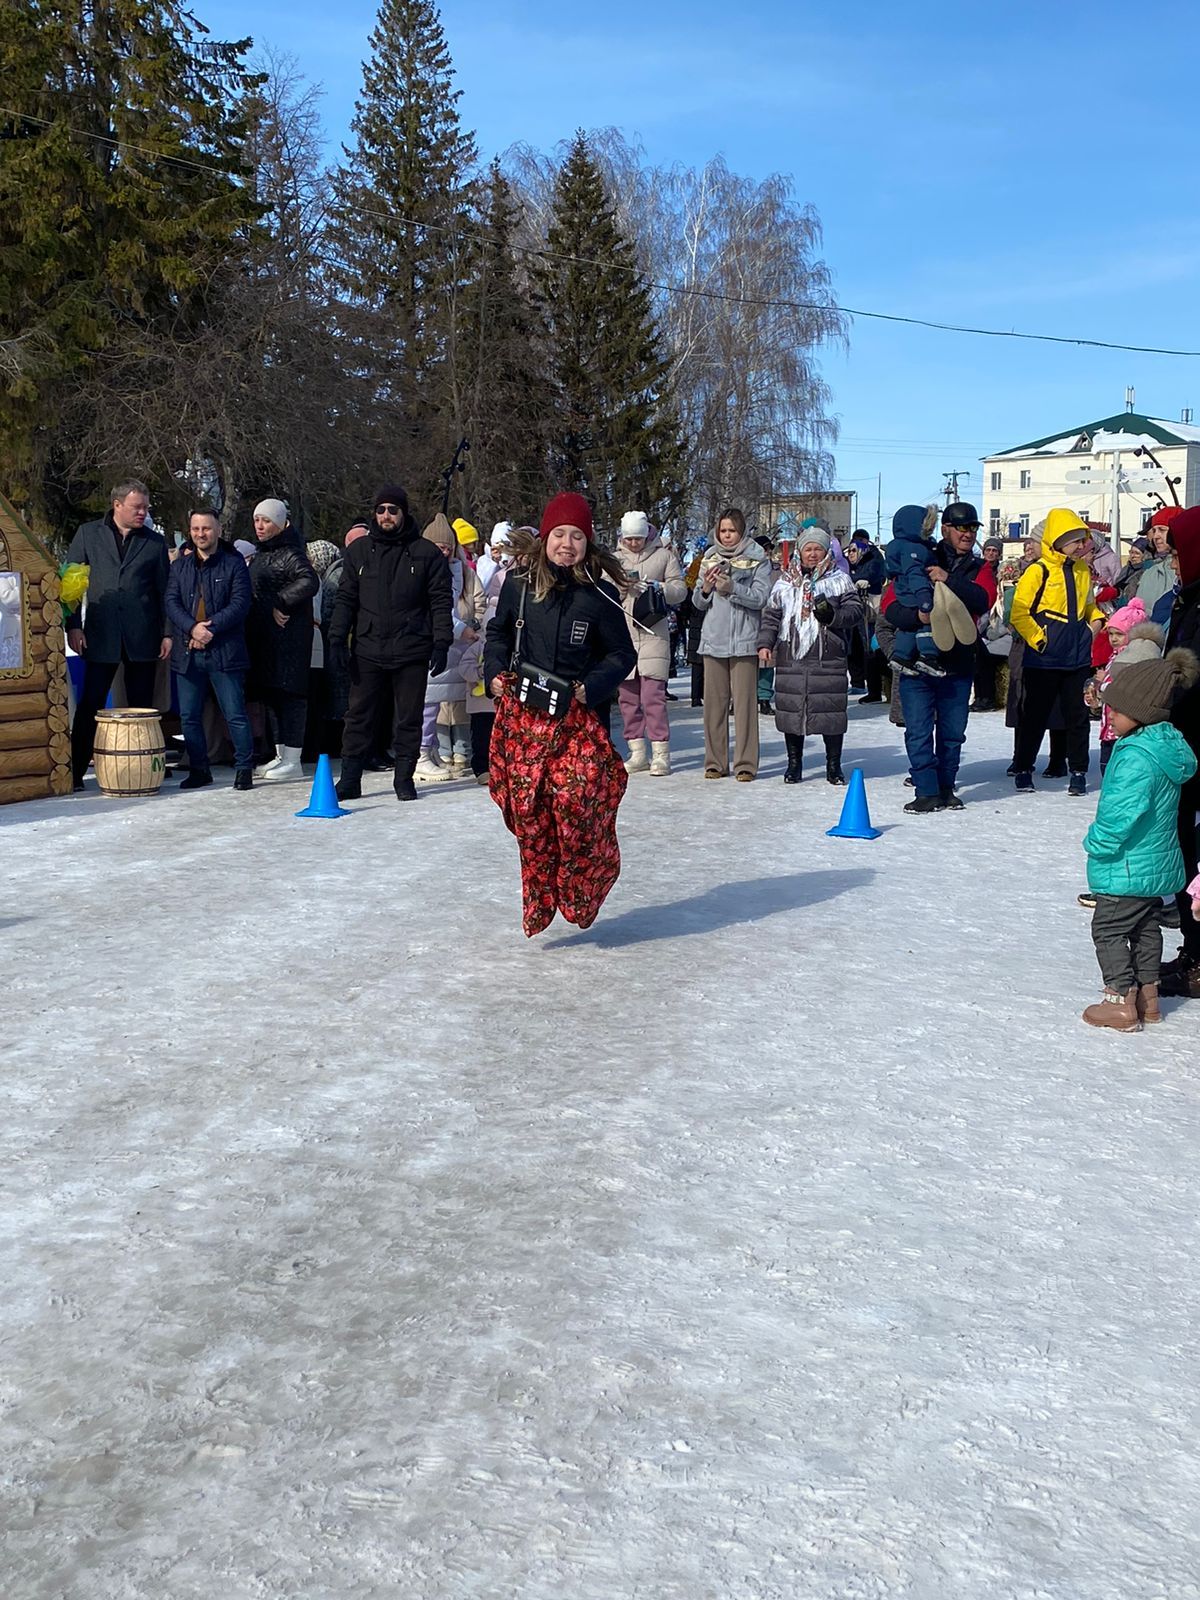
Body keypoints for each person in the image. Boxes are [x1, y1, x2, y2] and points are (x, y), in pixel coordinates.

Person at [484, 492, 636, 937]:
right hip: (525, 722)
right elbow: (496, 635)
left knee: (577, 808)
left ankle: (581, 887)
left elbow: (621, 653)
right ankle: (539, 898)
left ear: (588, 543)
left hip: (577, 719)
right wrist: (493, 671)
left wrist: (593, 686)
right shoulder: (518, 584)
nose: (567, 543)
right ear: (545, 537)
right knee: (530, 815)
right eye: (559, 534)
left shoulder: (599, 596)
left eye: (577, 536)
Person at [1081, 649, 1199, 1030]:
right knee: (1145, 928)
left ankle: (1119, 1000)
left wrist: (1097, 842)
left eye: (1116, 709)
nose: (1109, 714)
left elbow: (1121, 813)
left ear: (1143, 712)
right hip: (1155, 864)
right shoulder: (1166, 745)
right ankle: (1148, 998)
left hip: (1127, 864)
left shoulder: (1137, 756)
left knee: (1110, 929)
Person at [328, 483, 453, 803]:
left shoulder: (426, 553)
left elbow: (440, 600)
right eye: (381, 509)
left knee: (408, 717)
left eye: (393, 510)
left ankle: (404, 778)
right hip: (369, 646)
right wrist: (337, 639)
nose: (386, 515)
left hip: (412, 647)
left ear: (403, 513)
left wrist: (442, 641)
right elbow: (346, 599)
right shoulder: (358, 552)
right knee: (358, 715)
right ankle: (351, 778)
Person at [882, 499, 995, 813]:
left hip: (958, 665)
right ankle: (926, 791)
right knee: (917, 730)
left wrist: (949, 579)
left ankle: (946, 789)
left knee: (952, 734)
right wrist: (918, 617)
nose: (968, 533)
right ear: (945, 528)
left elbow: (983, 599)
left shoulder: (979, 566)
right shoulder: (918, 555)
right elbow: (890, 606)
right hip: (918, 665)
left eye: (973, 527)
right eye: (962, 527)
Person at [65, 478, 171, 790]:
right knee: (90, 704)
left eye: (146, 507)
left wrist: (167, 633)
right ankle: (75, 771)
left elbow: (165, 591)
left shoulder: (154, 543)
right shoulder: (88, 534)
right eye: (137, 507)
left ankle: (141, 768)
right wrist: (73, 625)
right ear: (117, 505)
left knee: (141, 707)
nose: (143, 512)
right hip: (100, 634)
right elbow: (71, 582)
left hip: (143, 637)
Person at [1009, 508, 1104, 795]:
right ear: (1057, 540)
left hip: (1076, 656)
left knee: (1077, 717)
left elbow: (1087, 605)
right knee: (1035, 716)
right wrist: (1040, 641)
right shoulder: (1038, 570)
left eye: (1081, 540)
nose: (1080, 545)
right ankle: (1024, 768)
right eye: (1074, 540)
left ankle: (1077, 771)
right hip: (1044, 659)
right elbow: (1019, 612)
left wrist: (1096, 619)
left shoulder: (1082, 570)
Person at [757, 526, 862, 784]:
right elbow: (771, 617)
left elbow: (856, 612)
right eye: (808, 549)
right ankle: (794, 765)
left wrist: (833, 617)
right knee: (792, 712)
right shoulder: (783, 583)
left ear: (826, 552)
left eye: (818, 549)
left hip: (828, 656)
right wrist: (765, 643)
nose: (813, 554)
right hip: (791, 656)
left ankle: (833, 766)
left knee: (831, 713)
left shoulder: (840, 580)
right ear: (799, 552)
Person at [163, 508, 254, 790]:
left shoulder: (233, 563)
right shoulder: (180, 567)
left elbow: (240, 604)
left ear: (217, 531)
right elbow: (172, 602)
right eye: (195, 529)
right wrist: (193, 628)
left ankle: (244, 769)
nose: (200, 534)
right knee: (189, 716)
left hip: (225, 651)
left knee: (234, 713)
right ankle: (200, 769)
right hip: (188, 653)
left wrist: (210, 629)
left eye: (206, 528)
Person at [692, 508, 772, 780]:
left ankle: (746, 765)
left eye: (732, 531)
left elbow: (761, 598)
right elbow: (698, 603)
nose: (727, 536)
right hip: (713, 641)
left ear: (742, 531)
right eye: (723, 531)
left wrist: (733, 589)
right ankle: (715, 762)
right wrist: (705, 589)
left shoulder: (757, 558)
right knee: (713, 706)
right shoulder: (708, 558)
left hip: (744, 642)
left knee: (745, 706)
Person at [246, 498, 318, 783]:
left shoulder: (290, 552)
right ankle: (280, 753)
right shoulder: (263, 552)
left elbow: (309, 581)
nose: (260, 526)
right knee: (273, 696)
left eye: (266, 521)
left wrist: (281, 602)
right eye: (257, 520)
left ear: (280, 523)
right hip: (268, 640)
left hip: (290, 640)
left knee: (290, 696)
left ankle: (293, 757)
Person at [1160, 506, 1200, 995]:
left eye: (1179, 550)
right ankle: (1193, 949)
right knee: (1181, 846)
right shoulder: (1187, 599)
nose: (1172, 558)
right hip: (1185, 745)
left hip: (1194, 743)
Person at [615, 510, 687, 776]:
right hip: (623, 635)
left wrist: (658, 586)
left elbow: (680, 591)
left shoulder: (664, 555)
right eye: (630, 538)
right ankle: (637, 753)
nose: (634, 543)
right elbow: (604, 590)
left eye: (639, 538)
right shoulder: (615, 559)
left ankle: (661, 753)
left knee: (652, 696)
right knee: (628, 697)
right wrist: (623, 586)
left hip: (654, 633)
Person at [417, 513, 486, 781]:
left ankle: (429, 751)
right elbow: (439, 610)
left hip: (449, 644)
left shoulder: (455, 569)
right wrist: (461, 629)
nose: (444, 551)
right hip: (432, 642)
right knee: (427, 703)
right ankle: (421, 753)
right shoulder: (425, 571)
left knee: (436, 702)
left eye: (448, 547)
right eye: (439, 547)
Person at [884, 505, 943, 675]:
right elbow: (915, 574)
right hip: (915, 592)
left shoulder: (897, 547)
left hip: (903, 590)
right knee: (926, 623)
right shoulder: (914, 549)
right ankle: (928, 655)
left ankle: (901, 655)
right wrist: (924, 597)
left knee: (909, 628)